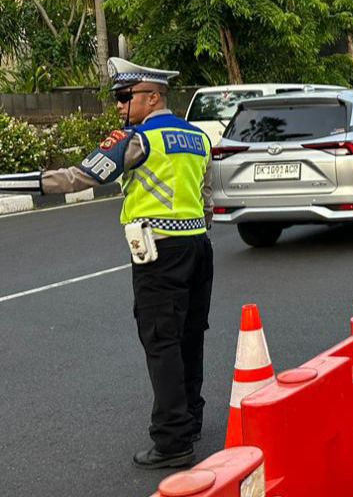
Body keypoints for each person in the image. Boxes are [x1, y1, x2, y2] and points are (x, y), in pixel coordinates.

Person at [0, 58, 214, 469]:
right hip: (198, 248)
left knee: (161, 342)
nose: (118, 105)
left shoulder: (137, 139)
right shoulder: (197, 137)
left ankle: (173, 442)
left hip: (158, 252)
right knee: (190, 336)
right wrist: (196, 233)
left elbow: (76, 177)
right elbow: (206, 198)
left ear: (153, 98)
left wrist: (9, 181)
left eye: (124, 96)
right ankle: (190, 420)